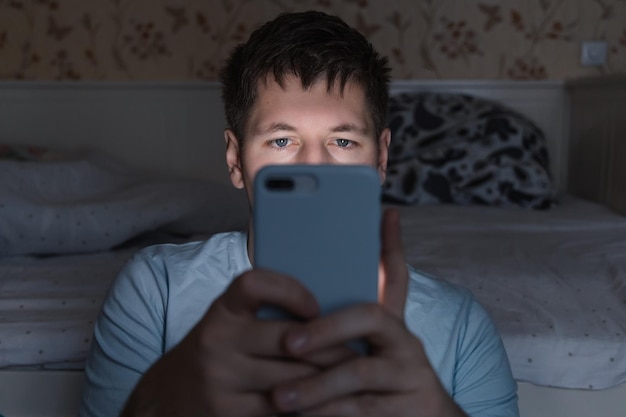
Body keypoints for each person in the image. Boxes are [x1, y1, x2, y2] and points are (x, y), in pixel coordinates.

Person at [79, 10, 518, 417]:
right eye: (282, 141)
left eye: (342, 141)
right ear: (235, 160)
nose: (315, 165)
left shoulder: (460, 323)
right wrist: (169, 391)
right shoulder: (155, 291)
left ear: (381, 158)